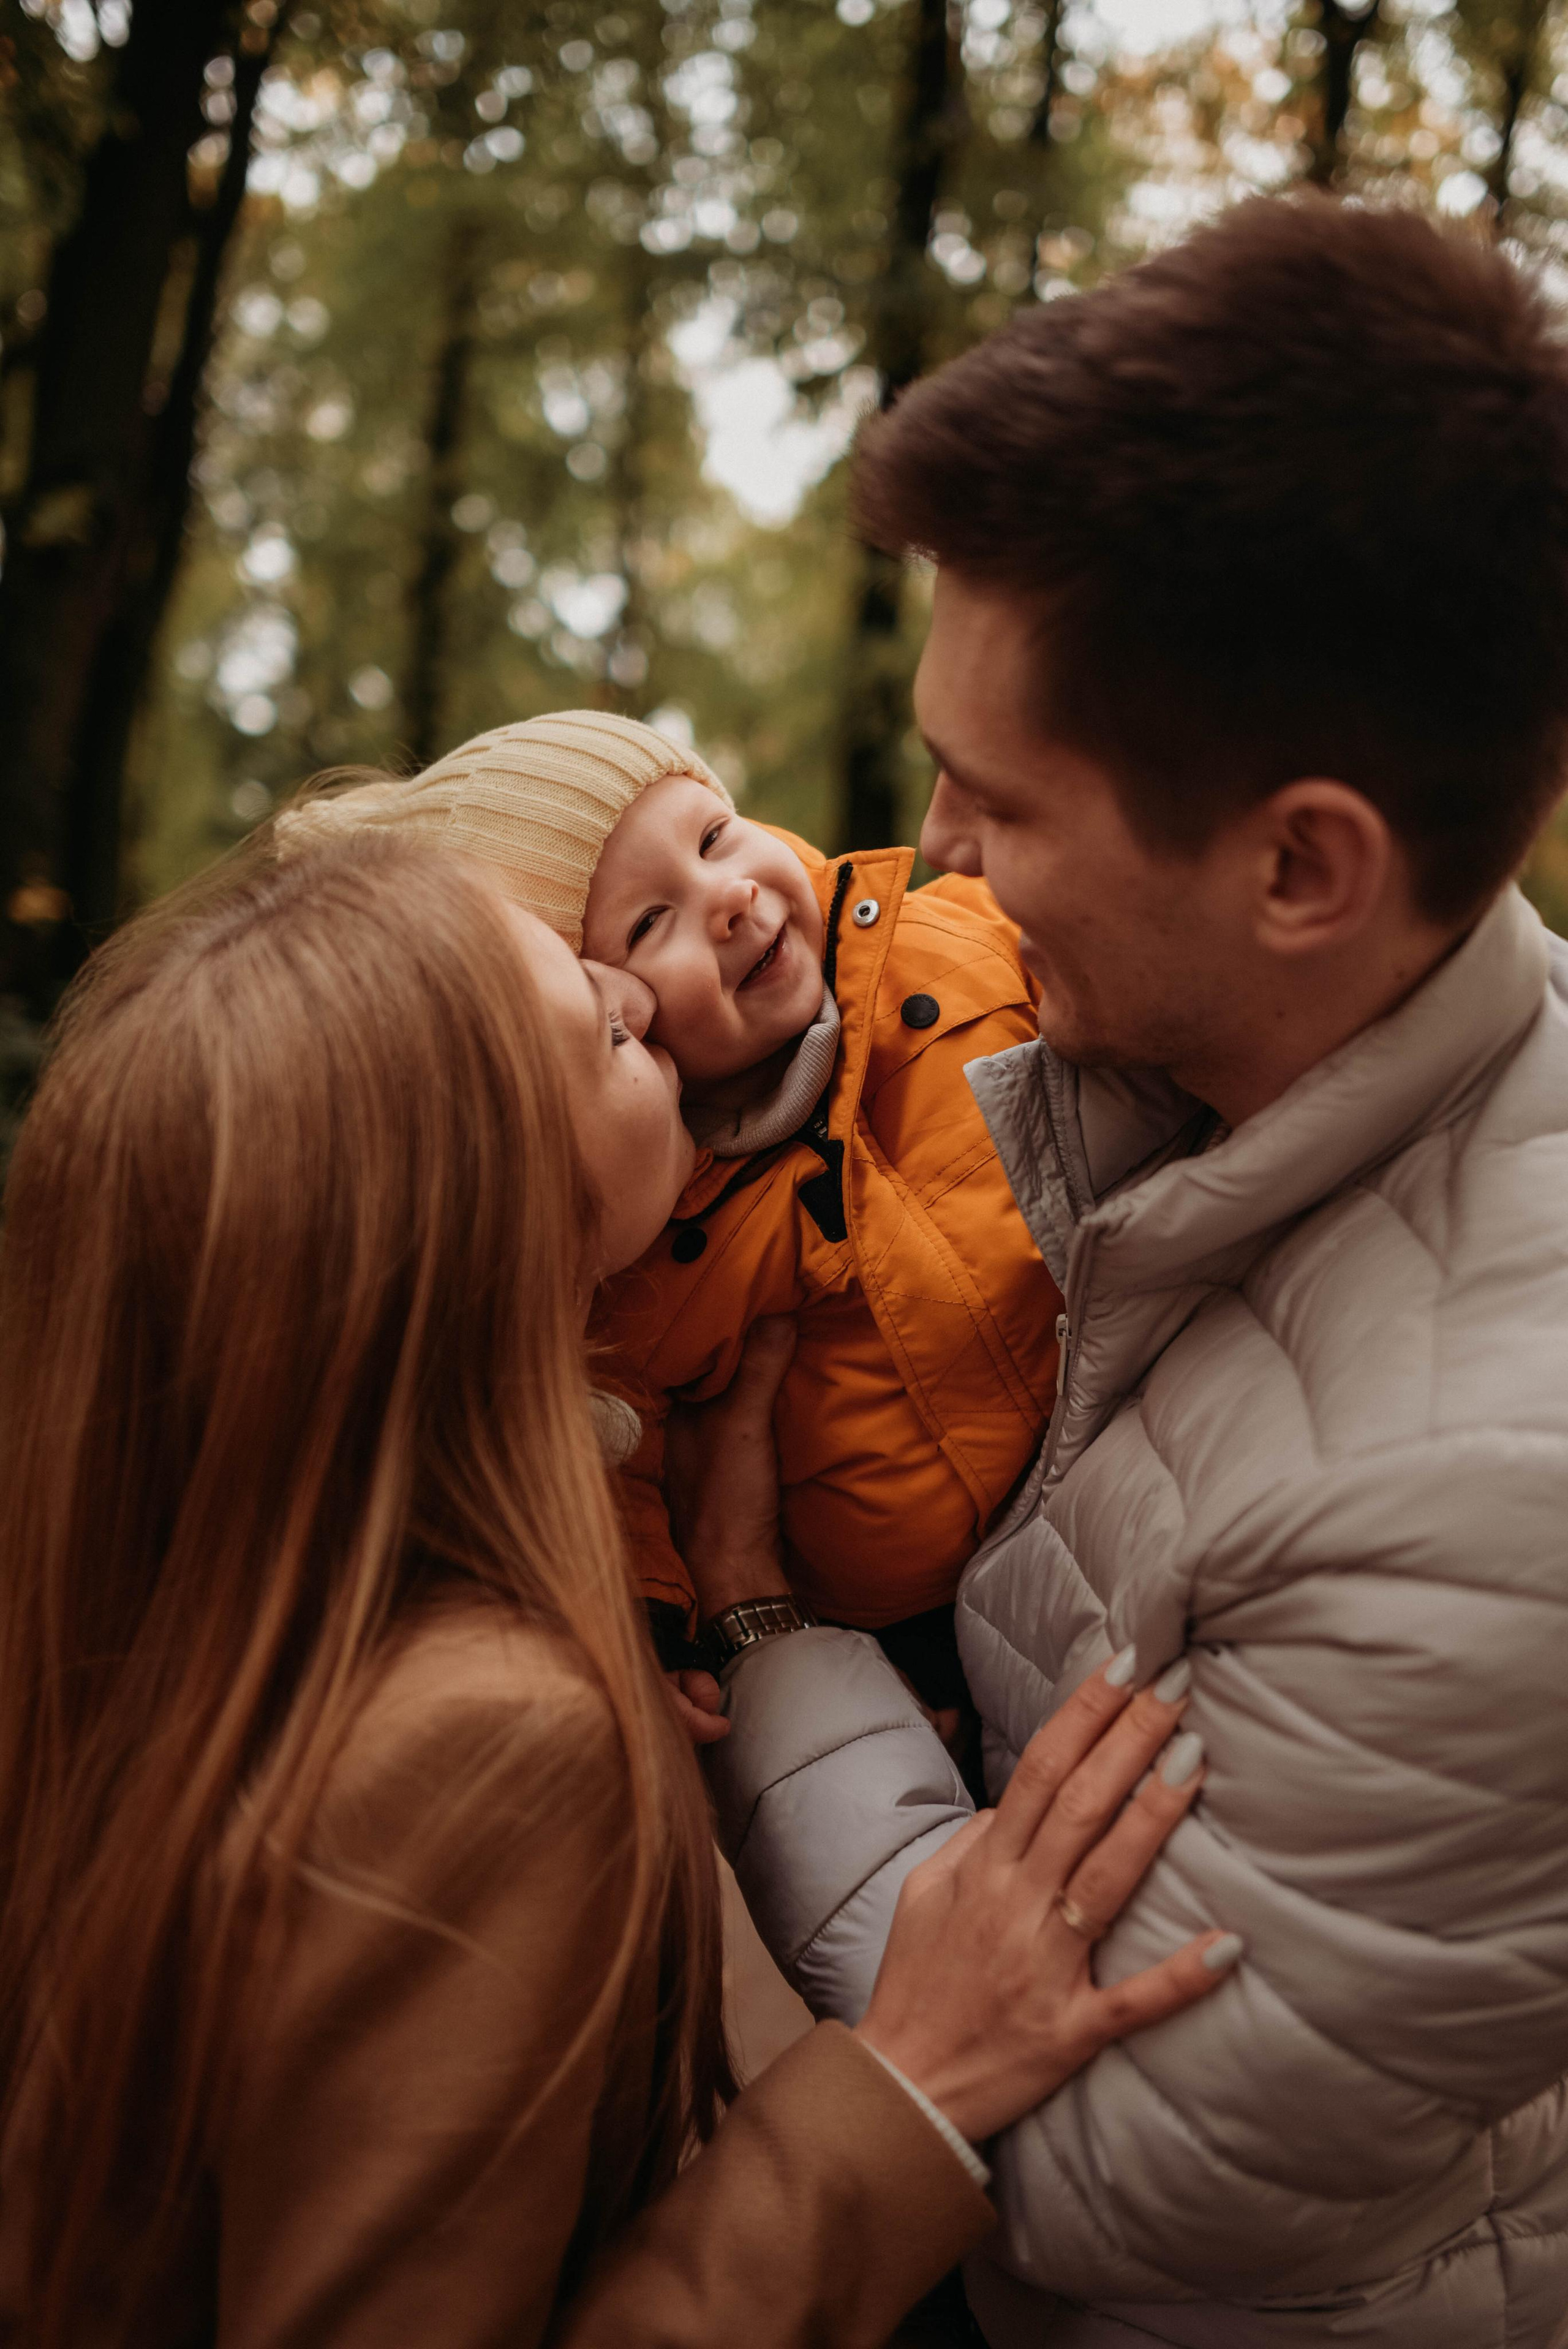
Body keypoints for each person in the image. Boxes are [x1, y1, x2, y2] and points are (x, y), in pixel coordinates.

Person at [684, 195, 1568, 2346]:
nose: (936, 851)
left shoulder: (1488, 1500)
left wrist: (764, 1627)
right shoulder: (1176, 1077)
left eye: (998, 796)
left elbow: (1085, 2175)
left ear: (1299, 865)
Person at [0, 830, 1237, 2349]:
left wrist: (737, 1583)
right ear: (477, 1219)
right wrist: (909, 2078)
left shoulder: (212, 1617)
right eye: (597, 1027)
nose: (637, 995)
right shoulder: (480, 1736)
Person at [279, 709, 1064, 1734]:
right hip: (895, 1636)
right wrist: (650, 1632)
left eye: (712, 836)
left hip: (1108, 1447)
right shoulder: (643, 1252)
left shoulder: (950, 945)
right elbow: (626, 1465)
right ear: (601, 1004)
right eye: (650, 924)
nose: (730, 898)